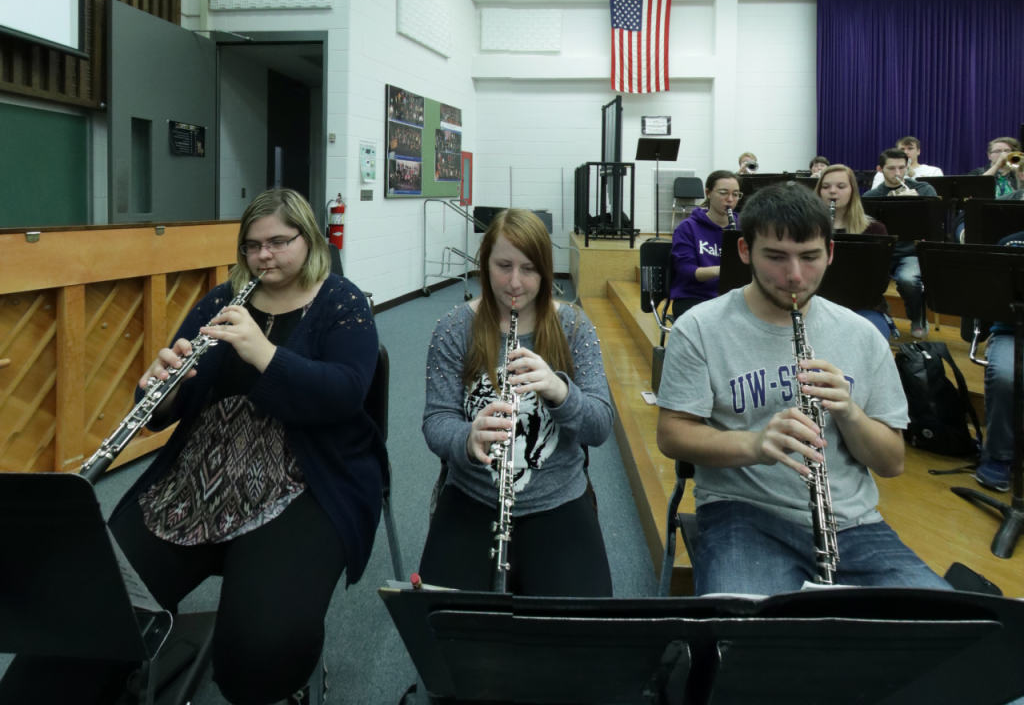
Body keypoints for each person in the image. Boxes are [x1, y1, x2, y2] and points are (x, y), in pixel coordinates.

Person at [0, 188, 385, 705]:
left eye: (278, 242)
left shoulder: (342, 302)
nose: (263, 256)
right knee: (89, 609)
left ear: (309, 239)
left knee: (260, 653)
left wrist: (265, 353)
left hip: (304, 481)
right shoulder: (224, 299)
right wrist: (162, 391)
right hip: (197, 476)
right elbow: (170, 402)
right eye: (252, 246)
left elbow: (346, 393)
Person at [655, 183, 949, 595]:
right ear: (745, 251)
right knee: (749, 626)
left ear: (830, 253)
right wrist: (755, 444)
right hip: (745, 515)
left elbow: (891, 463)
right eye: (775, 257)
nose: (794, 275)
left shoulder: (862, 335)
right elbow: (672, 435)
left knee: (945, 624)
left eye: (810, 257)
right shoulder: (701, 328)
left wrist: (849, 412)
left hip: (854, 525)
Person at [419, 208, 613, 595]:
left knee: (581, 625)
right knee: (441, 620)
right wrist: (468, 438)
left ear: (546, 271)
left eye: (529, 269)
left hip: (559, 497)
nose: (514, 282)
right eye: (503, 266)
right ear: (484, 263)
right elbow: (436, 422)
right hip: (472, 493)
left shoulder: (574, 327)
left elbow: (600, 427)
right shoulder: (454, 328)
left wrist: (559, 391)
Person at [863, 148, 937, 340]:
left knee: (908, 280)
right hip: (882, 252)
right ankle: (881, 317)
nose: (897, 173)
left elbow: (935, 224)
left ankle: (917, 317)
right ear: (880, 169)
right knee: (863, 278)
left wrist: (917, 204)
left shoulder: (924, 190)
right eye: (891, 168)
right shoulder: (872, 196)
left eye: (901, 168)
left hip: (910, 252)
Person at [815, 163, 891, 340]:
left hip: (861, 306)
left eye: (841, 186)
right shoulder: (806, 229)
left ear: (853, 191)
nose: (832, 191)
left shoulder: (874, 229)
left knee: (873, 338)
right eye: (826, 187)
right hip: (816, 304)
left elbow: (880, 282)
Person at [974, 229, 1024, 493]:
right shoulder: (1012, 243)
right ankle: (999, 455)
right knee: (1004, 375)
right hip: (1012, 332)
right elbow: (990, 298)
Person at [669, 170, 741, 319]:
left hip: (734, 297)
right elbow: (686, 270)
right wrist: (722, 271)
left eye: (735, 194)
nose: (730, 199)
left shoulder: (745, 226)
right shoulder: (688, 228)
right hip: (695, 296)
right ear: (708, 193)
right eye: (723, 193)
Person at [870, 136, 942, 188]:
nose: (906, 152)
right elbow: (875, 195)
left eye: (910, 148)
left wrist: (914, 176)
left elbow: (936, 195)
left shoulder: (933, 171)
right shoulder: (885, 171)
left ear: (918, 151)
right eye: (902, 149)